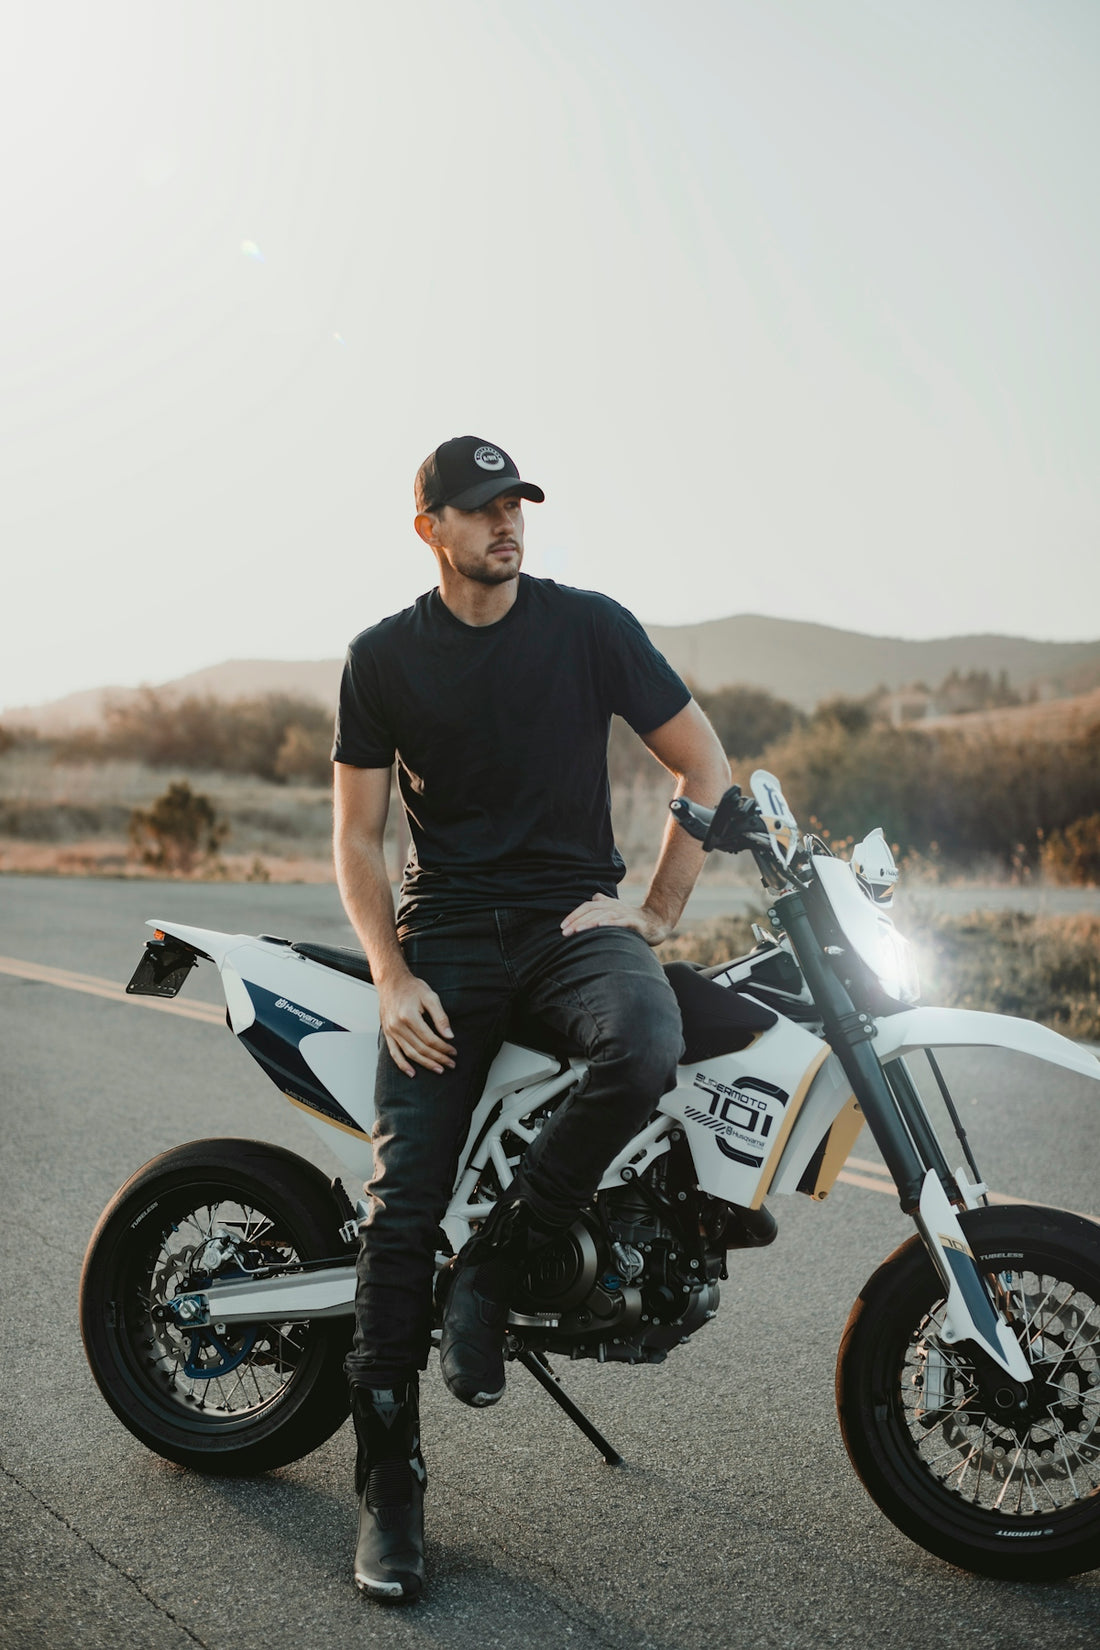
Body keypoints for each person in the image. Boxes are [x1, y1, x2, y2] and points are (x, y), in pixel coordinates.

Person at [332, 435, 730, 1604]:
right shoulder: (383, 658)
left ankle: (497, 1273)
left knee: (647, 1045)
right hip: (447, 941)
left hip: (573, 924)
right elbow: (356, 841)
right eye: (479, 507)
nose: (506, 523)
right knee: (401, 1206)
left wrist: (652, 908)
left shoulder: (588, 625)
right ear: (431, 530)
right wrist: (390, 975)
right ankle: (389, 1490)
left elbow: (705, 765)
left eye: (515, 504)